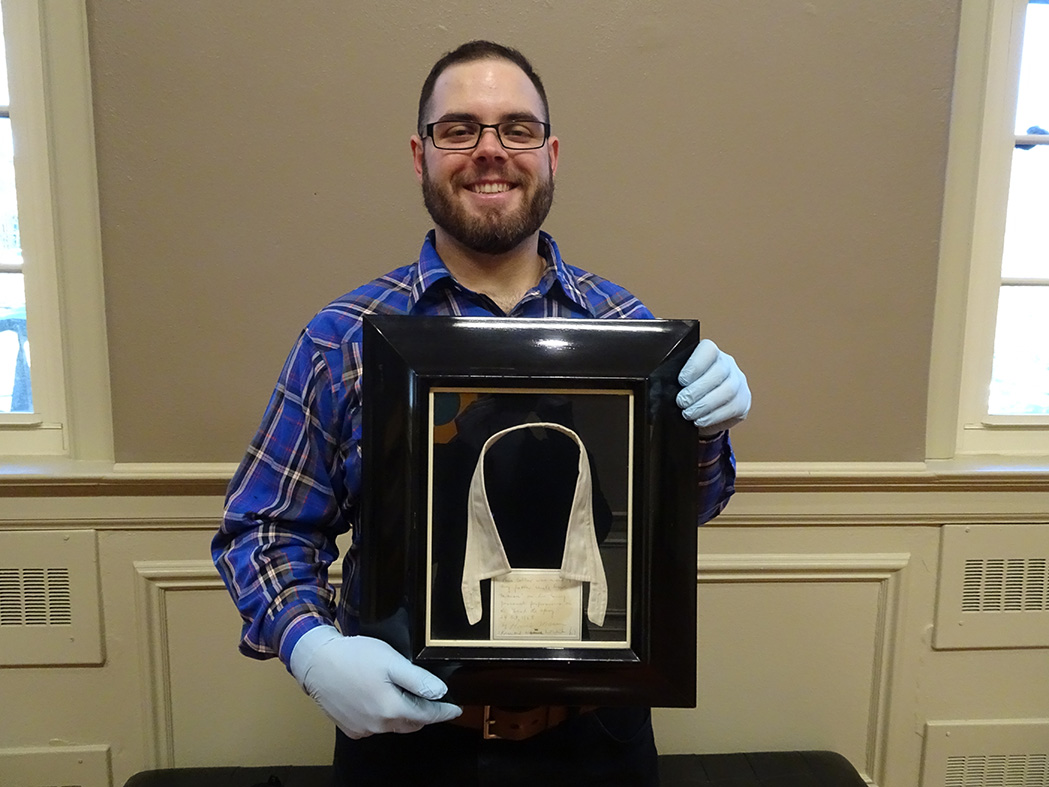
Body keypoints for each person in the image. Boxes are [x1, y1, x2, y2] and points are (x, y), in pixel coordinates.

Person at [212, 40, 751, 787]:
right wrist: (312, 647)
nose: (489, 152)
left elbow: (684, 512)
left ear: (551, 153)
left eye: (516, 129)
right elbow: (263, 527)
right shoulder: (342, 338)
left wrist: (707, 435)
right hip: (405, 745)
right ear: (420, 154)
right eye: (459, 129)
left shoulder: (625, 329)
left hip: (598, 742)